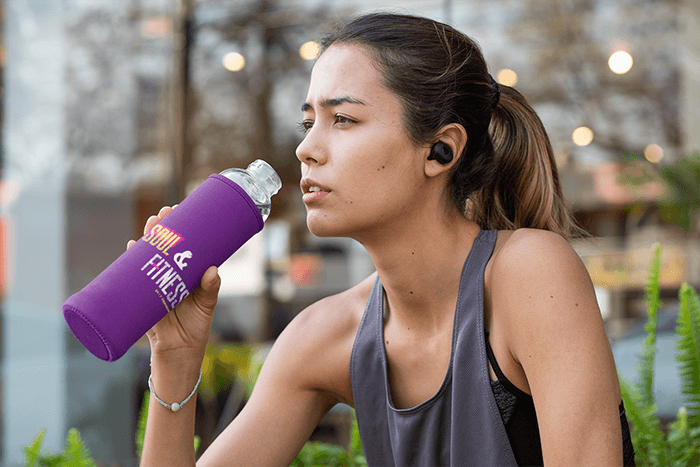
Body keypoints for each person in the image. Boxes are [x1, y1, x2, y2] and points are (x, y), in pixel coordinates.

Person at [134, 12, 635, 466]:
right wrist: (175, 357)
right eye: (308, 123)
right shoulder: (326, 336)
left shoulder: (529, 273)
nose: (306, 148)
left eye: (343, 119)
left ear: (440, 150)